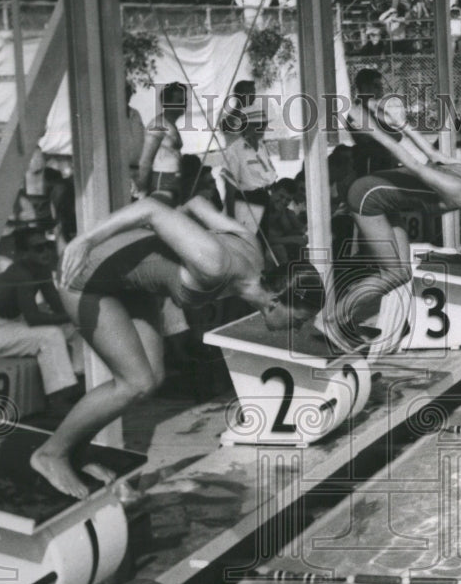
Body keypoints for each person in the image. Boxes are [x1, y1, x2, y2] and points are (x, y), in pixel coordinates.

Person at [31, 195, 326, 498]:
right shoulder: (215, 263)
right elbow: (151, 208)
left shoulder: (253, 250)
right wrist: (86, 240)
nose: (299, 328)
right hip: (84, 278)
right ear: (275, 302)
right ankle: (50, 454)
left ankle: (76, 455)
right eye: (299, 320)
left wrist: (175, 234)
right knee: (135, 382)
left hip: (131, 284)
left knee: (153, 379)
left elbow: (197, 203)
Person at [330, 100, 461, 349]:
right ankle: (331, 319)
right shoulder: (460, 191)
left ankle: (356, 320)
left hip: (387, 203)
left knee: (401, 275)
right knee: (393, 274)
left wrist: (402, 124)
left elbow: (431, 153)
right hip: (367, 198)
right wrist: (372, 130)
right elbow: (414, 165)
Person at [0, 228, 84, 412]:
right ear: (23, 254)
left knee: (77, 328)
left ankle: (81, 379)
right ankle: (59, 396)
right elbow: (34, 319)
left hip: (13, 326)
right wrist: (72, 315)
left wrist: (75, 317)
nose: (46, 252)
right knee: (50, 334)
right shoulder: (21, 274)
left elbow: (57, 306)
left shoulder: (41, 270)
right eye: (38, 248)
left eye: (47, 246)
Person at [222, 103, 278, 234]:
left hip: (264, 198)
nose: (262, 128)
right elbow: (230, 187)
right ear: (246, 127)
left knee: (263, 245)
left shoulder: (262, 147)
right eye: (258, 125)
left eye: (264, 125)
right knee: (250, 243)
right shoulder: (235, 150)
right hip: (248, 203)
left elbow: (269, 175)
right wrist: (231, 220)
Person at [136, 82, 186, 201]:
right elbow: (145, 161)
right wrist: (142, 192)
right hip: (161, 181)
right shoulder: (158, 125)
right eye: (179, 101)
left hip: (174, 181)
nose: (184, 105)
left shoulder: (171, 125)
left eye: (185, 101)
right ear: (167, 103)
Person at [261, 178, 308, 265]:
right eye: (281, 196)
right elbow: (263, 239)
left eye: (288, 200)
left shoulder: (283, 212)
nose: (283, 201)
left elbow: (288, 231)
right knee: (279, 249)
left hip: (277, 246)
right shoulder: (263, 208)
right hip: (262, 248)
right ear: (272, 191)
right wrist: (291, 239)